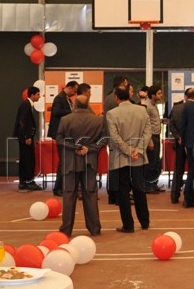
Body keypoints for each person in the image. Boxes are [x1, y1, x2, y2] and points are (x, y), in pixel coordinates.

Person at [57, 96, 105, 237]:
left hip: (70, 162)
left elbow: (59, 139)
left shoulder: (65, 119)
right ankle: (95, 228)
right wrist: (89, 148)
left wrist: (75, 147)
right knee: (90, 195)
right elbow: (104, 139)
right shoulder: (98, 120)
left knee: (69, 195)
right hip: (90, 161)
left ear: (74, 104)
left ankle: (66, 230)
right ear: (88, 104)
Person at [105, 86, 153, 232]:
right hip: (138, 158)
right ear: (130, 96)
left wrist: (128, 150)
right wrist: (138, 150)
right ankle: (145, 222)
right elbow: (148, 133)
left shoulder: (112, 113)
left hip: (121, 158)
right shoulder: (142, 110)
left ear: (116, 97)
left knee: (123, 192)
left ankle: (128, 225)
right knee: (139, 189)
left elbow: (115, 137)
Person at [48, 80, 78, 195]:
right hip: (59, 133)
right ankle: (57, 188)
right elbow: (56, 112)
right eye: (74, 91)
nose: (74, 93)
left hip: (64, 133)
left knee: (64, 160)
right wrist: (71, 111)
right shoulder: (59, 98)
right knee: (63, 161)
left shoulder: (66, 99)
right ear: (69, 88)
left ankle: (61, 186)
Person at [168, 88, 194, 203]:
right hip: (192, 143)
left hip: (179, 143)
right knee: (193, 169)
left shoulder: (176, 108)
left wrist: (178, 137)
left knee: (178, 169)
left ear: (185, 96)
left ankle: (174, 195)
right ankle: (189, 196)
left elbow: (171, 125)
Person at [14, 86, 42, 191]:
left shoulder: (27, 105)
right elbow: (23, 122)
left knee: (25, 159)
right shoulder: (26, 105)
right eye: (38, 94)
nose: (39, 96)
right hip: (26, 137)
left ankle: (23, 182)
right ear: (32, 95)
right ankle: (29, 182)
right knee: (28, 160)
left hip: (24, 137)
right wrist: (27, 136)